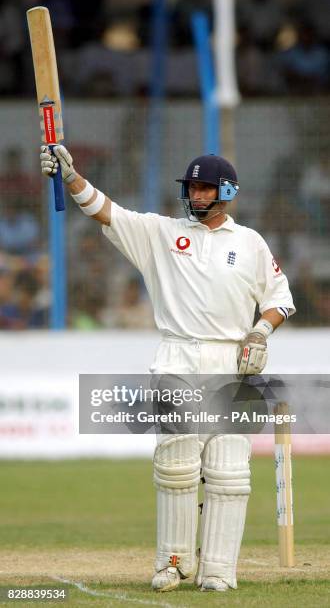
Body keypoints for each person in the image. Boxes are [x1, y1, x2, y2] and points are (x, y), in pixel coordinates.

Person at [39, 145, 295, 593]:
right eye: (191, 187)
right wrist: (70, 176)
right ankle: (173, 563)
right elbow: (105, 210)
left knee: (229, 471)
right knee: (176, 465)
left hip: (232, 362)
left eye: (203, 187)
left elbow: (278, 300)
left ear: (227, 191)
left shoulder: (250, 242)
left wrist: (258, 334)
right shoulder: (159, 233)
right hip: (177, 356)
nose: (194, 194)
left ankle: (217, 569)